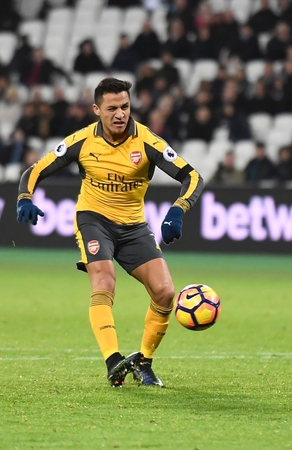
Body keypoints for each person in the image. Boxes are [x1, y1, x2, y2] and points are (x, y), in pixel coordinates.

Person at [16, 78, 204, 388]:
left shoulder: (147, 142)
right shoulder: (82, 141)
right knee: (104, 280)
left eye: (126, 107)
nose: (120, 114)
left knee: (165, 292)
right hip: (93, 220)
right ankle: (113, 360)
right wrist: (25, 196)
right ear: (97, 110)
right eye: (112, 108)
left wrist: (178, 209)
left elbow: (192, 176)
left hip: (133, 228)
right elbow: (35, 169)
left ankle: (144, 363)